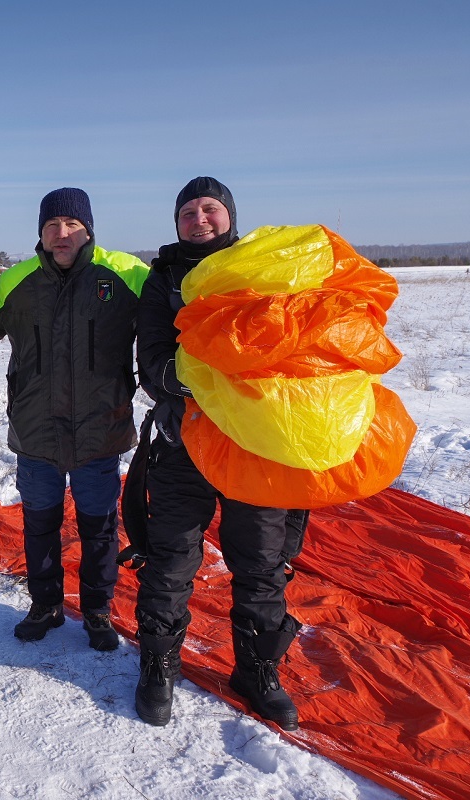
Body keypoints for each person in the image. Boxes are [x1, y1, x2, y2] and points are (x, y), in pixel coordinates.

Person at [133, 176, 305, 730]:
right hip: (186, 441)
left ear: (230, 215)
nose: (199, 219)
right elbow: (154, 364)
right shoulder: (163, 280)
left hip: (256, 444)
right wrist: (208, 373)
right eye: (187, 212)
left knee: (261, 560)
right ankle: (159, 665)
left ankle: (256, 670)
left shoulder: (261, 270)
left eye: (210, 209)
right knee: (172, 557)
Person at [0, 188, 149, 649]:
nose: (61, 234)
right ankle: (46, 605)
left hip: (100, 430)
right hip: (36, 431)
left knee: (99, 529)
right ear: (40, 232)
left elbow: (167, 320)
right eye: (52, 225)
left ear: (88, 229)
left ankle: (96, 611)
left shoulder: (125, 274)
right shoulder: (19, 279)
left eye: (72, 225)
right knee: (40, 524)